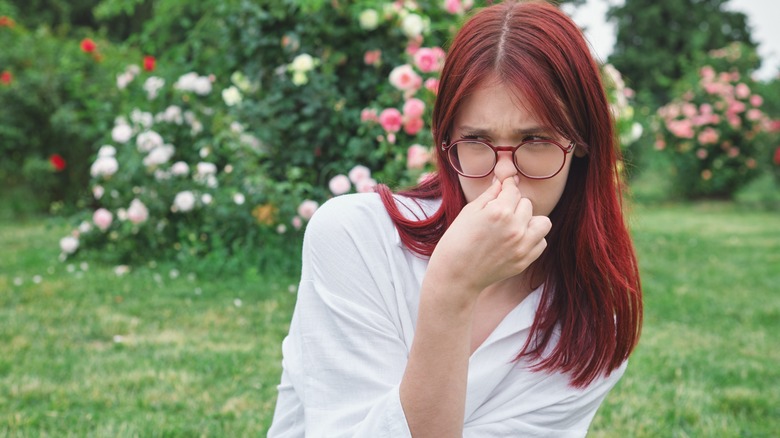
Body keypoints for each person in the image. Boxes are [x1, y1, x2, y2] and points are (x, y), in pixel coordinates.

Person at [268, 0, 643, 436]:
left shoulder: (588, 324)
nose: (505, 175)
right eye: (477, 140)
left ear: (580, 143)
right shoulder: (355, 237)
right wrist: (450, 290)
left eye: (536, 139)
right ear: (448, 141)